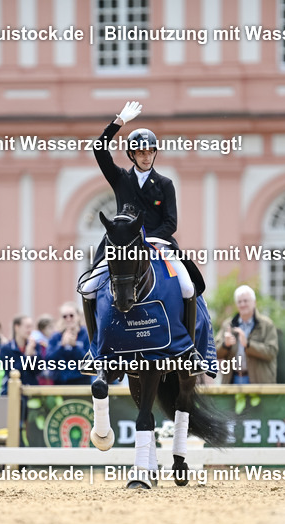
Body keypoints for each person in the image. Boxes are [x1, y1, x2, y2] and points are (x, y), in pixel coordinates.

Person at [80, 100, 205, 371]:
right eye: (140, 152)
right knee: (89, 288)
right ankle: (95, 354)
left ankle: (191, 351)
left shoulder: (164, 184)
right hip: (122, 245)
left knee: (186, 286)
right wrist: (118, 123)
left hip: (157, 244)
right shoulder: (121, 179)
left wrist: (150, 240)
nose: (146, 156)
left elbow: (170, 222)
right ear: (132, 155)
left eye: (150, 151)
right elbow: (99, 150)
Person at [215, 285, 278, 384]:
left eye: (246, 301)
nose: (242, 304)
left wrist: (248, 345)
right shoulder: (228, 325)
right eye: (239, 302)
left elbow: (272, 352)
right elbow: (214, 353)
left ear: (254, 302)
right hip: (233, 380)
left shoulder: (267, 325)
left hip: (259, 382)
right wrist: (225, 345)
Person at [0, 315, 46, 395]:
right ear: (17, 327)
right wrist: (26, 356)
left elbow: (38, 371)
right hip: (12, 392)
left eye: (31, 327)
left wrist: (34, 356)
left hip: (32, 391)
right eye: (27, 327)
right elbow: (12, 371)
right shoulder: (6, 348)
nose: (30, 330)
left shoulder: (35, 346)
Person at [47, 303, 91, 385]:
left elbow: (90, 361)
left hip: (82, 381)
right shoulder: (56, 336)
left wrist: (75, 347)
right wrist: (61, 346)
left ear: (78, 316)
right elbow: (49, 360)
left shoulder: (87, 335)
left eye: (71, 315)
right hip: (60, 382)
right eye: (65, 316)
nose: (68, 319)